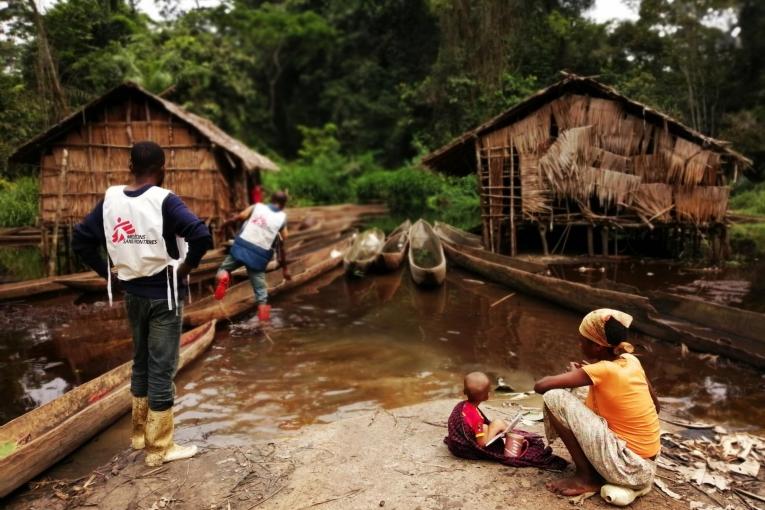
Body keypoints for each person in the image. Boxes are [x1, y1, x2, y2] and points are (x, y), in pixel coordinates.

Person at [72, 141, 212, 467]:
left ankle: (139, 435)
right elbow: (201, 235)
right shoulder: (164, 200)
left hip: (131, 293)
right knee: (162, 368)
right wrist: (186, 269)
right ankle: (159, 448)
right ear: (162, 169)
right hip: (164, 294)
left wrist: (109, 275)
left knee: (141, 362)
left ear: (130, 167)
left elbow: (80, 240)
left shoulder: (110, 200)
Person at [533, 309, 661, 499]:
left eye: (583, 341)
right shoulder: (631, 360)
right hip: (647, 465)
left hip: (627, 468)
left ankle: (587, 478)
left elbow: (541, 386)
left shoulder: (602, 370)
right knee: (585, 390)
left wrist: (575, 375)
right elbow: (655, 407)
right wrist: (584, 375)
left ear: (598, 347)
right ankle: (597, 472)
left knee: (555, 397)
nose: (579, 344)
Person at [214, 191, 290, 320]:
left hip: (241, 247)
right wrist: (285, 269)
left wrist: (223, 225)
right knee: (261, 293)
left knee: (223, 269)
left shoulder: (257, 207)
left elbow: (239, 217)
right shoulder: (282, 218)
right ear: (283, 205)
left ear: (270, 200)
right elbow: (284, 239)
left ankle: (224, 277)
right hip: (259, 257)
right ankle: (264, 321)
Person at [461, 372, 510, 447]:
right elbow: (481, 443)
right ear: (486, 396)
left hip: (477, 433)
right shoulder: (476, 418)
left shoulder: (464, 406)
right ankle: (511, 439)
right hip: (482, 441)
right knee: (497, 423)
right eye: (488, 391)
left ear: (464, 391)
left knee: (489, 425)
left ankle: (509, 435)